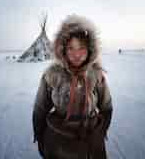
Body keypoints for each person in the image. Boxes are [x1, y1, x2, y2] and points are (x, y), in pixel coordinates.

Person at [32, 14, 113, 159]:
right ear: (62, 49)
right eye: (71, 48)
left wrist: (100, 132)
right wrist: (40, 135)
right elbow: (40, 109)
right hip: (59, 144)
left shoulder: (96, 74)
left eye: (81, 48)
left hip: (92, 145)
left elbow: (106, 106)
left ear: (89, 49)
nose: (76, 54)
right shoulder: (52, 75)